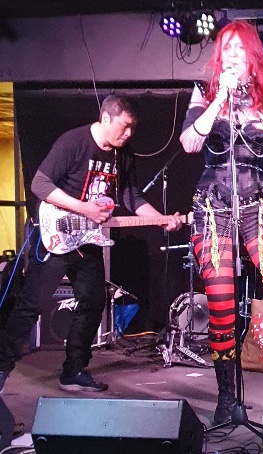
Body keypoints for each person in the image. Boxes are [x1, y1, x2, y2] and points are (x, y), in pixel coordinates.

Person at [0, 94, 182, 393]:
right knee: (30, 305)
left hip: (88, 239)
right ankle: (1, 368)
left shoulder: (123, 155)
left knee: (94, 301)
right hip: (57, 233)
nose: (129, 133)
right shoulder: (73, 142)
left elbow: (131, 197)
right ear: (106, 118)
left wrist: (160, 219)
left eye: (133, 128)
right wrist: (83, 208)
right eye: (124, 126)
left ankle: (73, 371)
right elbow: (40, 184)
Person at [179, 20, 263, 424]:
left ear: (252, 54)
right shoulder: (204, 93)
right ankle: (226, 400)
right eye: (226, 48)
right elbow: (190, 143)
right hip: (214, 208)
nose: (232, 54)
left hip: (262, 204)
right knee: (221, 308)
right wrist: (220, 98)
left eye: (240, 47)